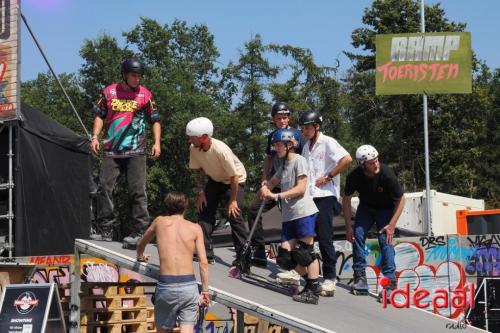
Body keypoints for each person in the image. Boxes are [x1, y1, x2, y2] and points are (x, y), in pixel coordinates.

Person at [90, 57, 161, 249]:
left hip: (136, 150)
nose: (137, 79)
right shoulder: (109, 92)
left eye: (139, 76)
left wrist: (156, 142)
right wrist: (95, 137)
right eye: (133, 75)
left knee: (137, 191)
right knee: (104, 187)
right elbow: (99, 115)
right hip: (112, 149)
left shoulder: (145, 95)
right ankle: (106, 229)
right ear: (124, 75)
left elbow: (155, 119)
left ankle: (139, 231)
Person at [260, 128, 320, 305]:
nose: (276, 148)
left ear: (291, 145)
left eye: (279, 145)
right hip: (289, 216)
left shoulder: (299, 161)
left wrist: (276, 196)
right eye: (275, 145)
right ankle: (310, 284)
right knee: (284, 258)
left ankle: (313, 291)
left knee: (305, 254)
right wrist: (265, 187)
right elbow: (272, 182)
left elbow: (301, 188)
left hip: (303, 213)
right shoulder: (283, 164)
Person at [136, 192, 209, 333]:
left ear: (167, 207)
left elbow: (140, 243)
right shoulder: (195, 228)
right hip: (189, 287)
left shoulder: (159, 222)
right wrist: (205, 291)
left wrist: (140, 256)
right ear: (185, 208)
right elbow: (203, 262)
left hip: (166, 286)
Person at [299, 110, 352, 297]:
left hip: (326, 195)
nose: (304, 131)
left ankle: (330, 278)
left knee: (324, 236)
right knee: (305, 237)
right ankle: (309, 275)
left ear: (317, 127)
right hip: (310, 196)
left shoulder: (328, 142)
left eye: (307, 128)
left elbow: (347, 159)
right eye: (303, 128)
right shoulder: (306, 147)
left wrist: (329, 176)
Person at [342, 145, 405, 295]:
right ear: (362, 165)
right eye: (371, 162)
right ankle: (360, 277)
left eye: (376, 160)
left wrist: (392, 224)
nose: (376, 164)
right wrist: (348, 226)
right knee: (357, 235)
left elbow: (401, 200)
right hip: (366, 208)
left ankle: (390, 282)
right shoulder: (354, 176)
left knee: (385, 239)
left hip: (386, 209)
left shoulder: (387, 174)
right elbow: (346, 200)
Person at [186, 117, 249, 264]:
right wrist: (201, 192)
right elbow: (198, 170)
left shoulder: (221, 150)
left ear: (204, 137)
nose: (189, 140)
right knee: (205, 210)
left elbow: (234, 177)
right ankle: (205, 253)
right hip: (215, 179)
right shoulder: (194, 148)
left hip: (235, 180)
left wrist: (233, 201)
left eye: (192, 137)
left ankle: (243, 257)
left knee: (234, 214)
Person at [248, 102, 302, 268]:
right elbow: (269, 158)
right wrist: (264, 178)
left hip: (292, 185)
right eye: (279, 118)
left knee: (291, 219)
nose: (282, 121)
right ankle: (258, 249)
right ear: (273, 119)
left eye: (285, 117)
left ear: (289, 118)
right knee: (253, 209)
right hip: (275, 182)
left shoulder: (297, 135)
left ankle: (295, 256)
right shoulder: (272, 135)